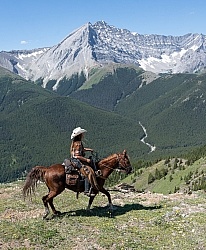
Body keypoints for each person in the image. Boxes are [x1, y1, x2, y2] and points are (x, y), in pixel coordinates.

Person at [70, 127, 97, 196]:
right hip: (76, 160)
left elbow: (82, 149)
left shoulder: (76, 142)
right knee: (87, 173)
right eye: (82, 134)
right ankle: (86, 190)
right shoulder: (78, 144)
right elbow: (77, 155)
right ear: (80, 135)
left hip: (75, 159)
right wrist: (86, 160)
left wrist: (89, 149)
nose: (83, 135)